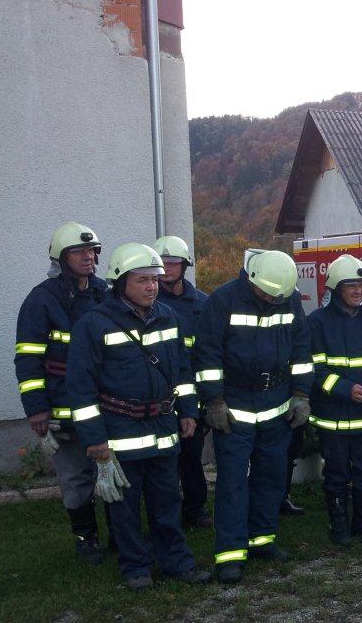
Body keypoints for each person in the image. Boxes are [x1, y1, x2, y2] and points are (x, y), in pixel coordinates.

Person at [67, 243, 210, 590]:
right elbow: (81, 388)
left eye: (155, 280)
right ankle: (136, 569)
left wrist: (188, 411)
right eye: (142, 280)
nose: (151, 287)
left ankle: (177, 561)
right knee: (125, 507)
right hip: (120, 430)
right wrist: (95, 439)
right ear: (121, 282)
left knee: (167, 500)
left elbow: (181, 371)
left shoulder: (168, 316)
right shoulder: (94, 324)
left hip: (163, 427)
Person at [194, 250, 313, 584]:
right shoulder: (223, 300)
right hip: (234, 406)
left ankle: (262, 540)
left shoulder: (287, 298)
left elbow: (301, 350)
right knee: (232, 481)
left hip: (276, 403)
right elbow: (207, 353)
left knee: (271, 475)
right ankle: (230, 554)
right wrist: (214, 401)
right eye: (268, 295)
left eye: (279, 297)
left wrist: (302, 395)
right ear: (253, 279)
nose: (273, 300)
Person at [15, 222, 108, 563]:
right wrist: (36, 408)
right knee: (76, 475)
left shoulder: (104, 292)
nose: (88, 257)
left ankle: (121, 536)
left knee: (111, 471)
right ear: (60, 257)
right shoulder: (42, 299)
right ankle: (86, 538)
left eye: (92, 251)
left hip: (104, 403)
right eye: (79, 252)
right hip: (62, 407)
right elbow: (28, 357)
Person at [307, 254, 362, 546]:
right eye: (352, 286)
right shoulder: (317, 323)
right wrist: (345, 389)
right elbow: (313, 369)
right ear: (335, 288)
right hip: (333, 416)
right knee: (336, 472)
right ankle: (339, 525)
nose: (359, 291)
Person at [152, 235, 212, 529]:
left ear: (184, 266)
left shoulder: (203, 303)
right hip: (159, 392)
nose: (167, 268)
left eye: (173, 263)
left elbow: (211, 350)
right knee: (162, 460)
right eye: (162, 263)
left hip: (193, 393)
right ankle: (167, 512)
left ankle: (195, 509)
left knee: (191, 455)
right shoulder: (149, 302)